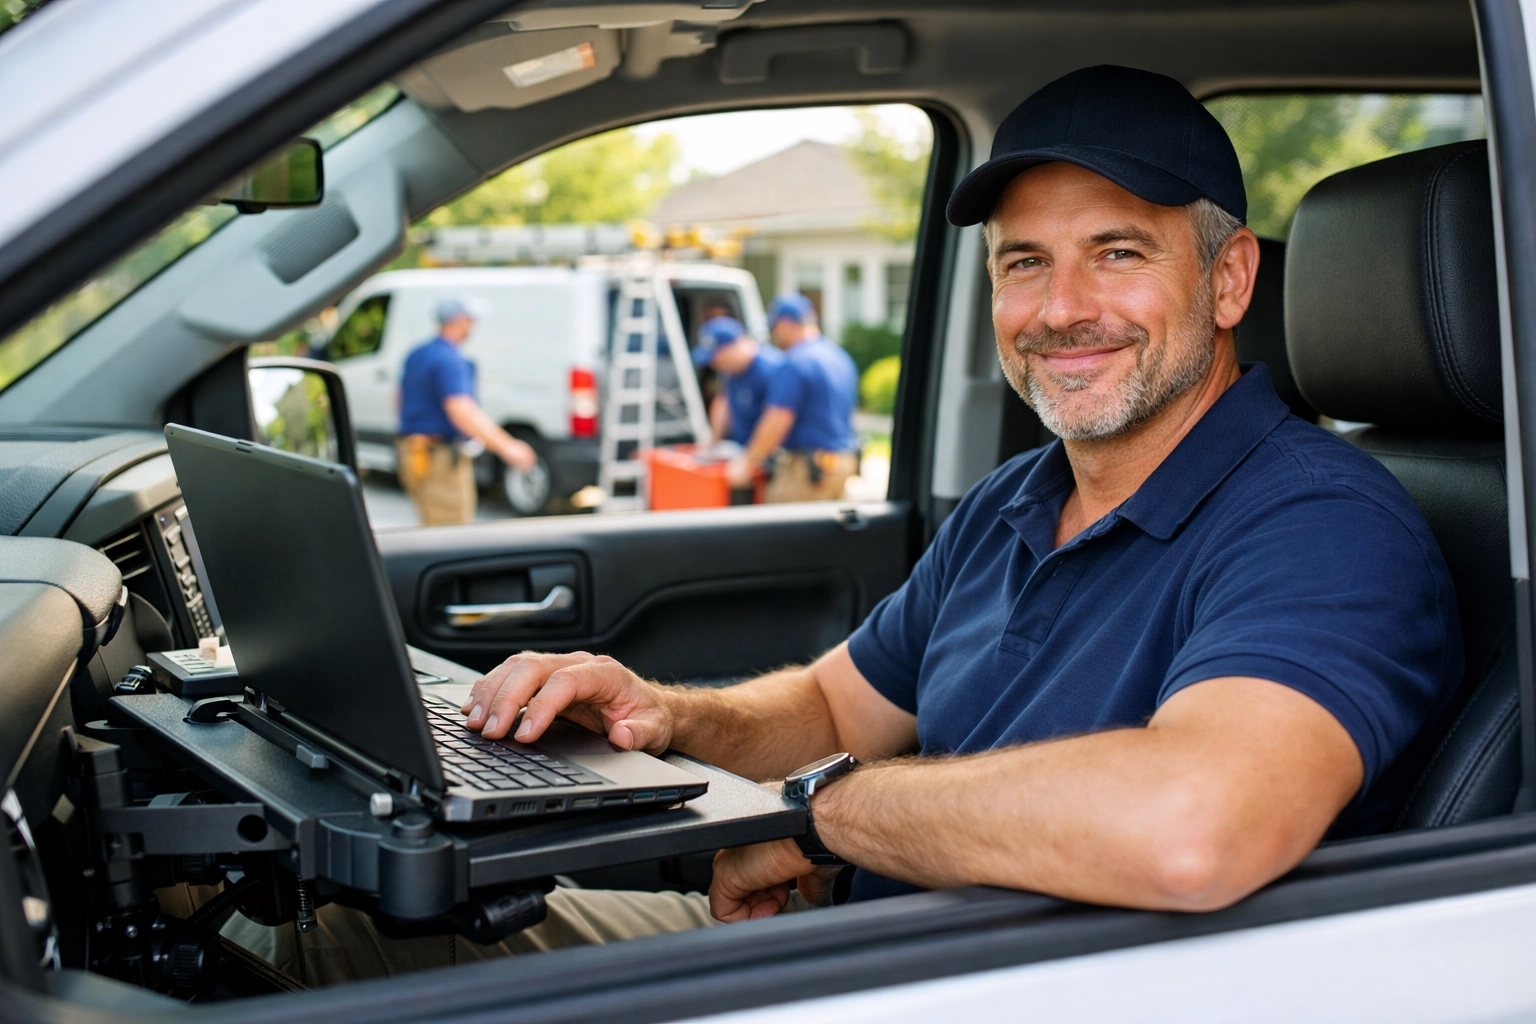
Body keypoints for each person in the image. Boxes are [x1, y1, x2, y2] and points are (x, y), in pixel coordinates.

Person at [227, 65, 1461, 982]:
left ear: (1231, 278)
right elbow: (829, 706)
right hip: (851, 945)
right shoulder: (1015, 501)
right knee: (339, 919)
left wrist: (822, 810)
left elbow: (1198, 824)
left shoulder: (1323, 524)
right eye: (1023, 263)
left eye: (1118, 252)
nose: (1061, 307)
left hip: (983, 991)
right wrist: (665, 712)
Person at [395, 297, 537, 525]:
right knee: (449, 533)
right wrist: (508, 447)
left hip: (411, 453)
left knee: (429, 523)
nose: (473, 326)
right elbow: (462, 411)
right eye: (471, 320)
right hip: (439, 459)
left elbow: (399, 400)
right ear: (458, 321)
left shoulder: (417, 353)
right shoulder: (451, 360)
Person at [727, 294, 860, 503]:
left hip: (807, 469)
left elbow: (778, 419)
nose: (774, 334)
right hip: (842, 461)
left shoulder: (795, 362)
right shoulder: (839, 356)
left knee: (784, 532)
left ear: (785, 324)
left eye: (774, 327)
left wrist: (747, 462)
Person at [692, 315, 784, 447]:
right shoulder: (729, 370)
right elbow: (724, 400)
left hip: (770, 451)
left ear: (731, 347)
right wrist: (712, 442)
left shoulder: (773, 368)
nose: (713, 364)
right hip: (742, 447)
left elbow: (779, 417)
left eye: (715, 357)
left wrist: (752, 458)